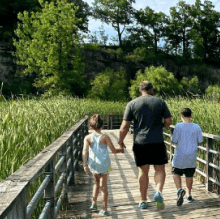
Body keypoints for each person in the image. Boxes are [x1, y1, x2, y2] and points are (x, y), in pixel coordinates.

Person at [119, 80, 172, 210]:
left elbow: (125, 126)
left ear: (139, 90)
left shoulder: (132, 104)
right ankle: (158, 192)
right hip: (157, 141)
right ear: (151, 89)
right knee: (160, 170)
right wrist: (161, 126)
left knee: (143, 171)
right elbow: (169, 121)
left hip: (140, 142)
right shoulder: (160, 102)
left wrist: (120, 141)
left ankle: (143, 201)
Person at [82, 114, 123, 216]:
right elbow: (113, 150)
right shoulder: (105, 137)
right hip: (104, 165)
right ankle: (104, 209)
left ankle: (94, 203)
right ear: (102, 126)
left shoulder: (87, 138)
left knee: (96, 183)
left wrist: (85, 165)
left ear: (91, 126)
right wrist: (121, 150)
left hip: (93, 164)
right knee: (104, 188)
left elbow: (84, 151)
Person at [170, 107, 203, 206]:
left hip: (180, 154)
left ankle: (179, 190)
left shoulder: (178, 126)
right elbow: (200, 142)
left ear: (182, 115)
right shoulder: (197, 127)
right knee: (189, 175)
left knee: (176, 173)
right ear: (191, 115)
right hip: (191, 155)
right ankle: (189, 195)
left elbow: (174, 140)